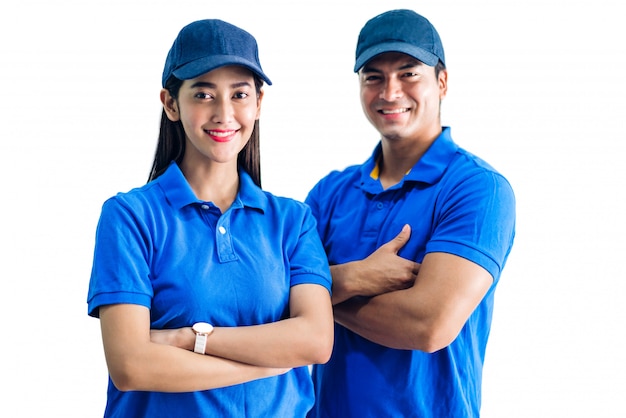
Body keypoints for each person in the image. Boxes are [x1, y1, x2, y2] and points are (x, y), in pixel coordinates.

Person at [86, 19, 334, 417]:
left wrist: (188, 340)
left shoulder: (292, 220)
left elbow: (316, 341)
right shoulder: (130, 217)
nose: (224, 113)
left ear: (258, 104)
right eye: (203, 94)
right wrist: (268, 360)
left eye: (239, 94)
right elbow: (131, 366)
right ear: (170, 103)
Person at [305, 9, 516, 418]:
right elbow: (270, 299)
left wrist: (318, 294)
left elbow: (429, 325)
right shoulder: (329, 193)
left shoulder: (477, 189)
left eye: (408, 73)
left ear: (442, 81)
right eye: (374, 77)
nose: (390, 92)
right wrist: (352, 277)